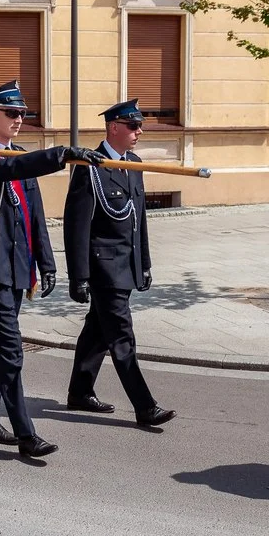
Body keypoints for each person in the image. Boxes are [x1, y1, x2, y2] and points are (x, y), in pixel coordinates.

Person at [0, 80, 105, 458]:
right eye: (12, 113)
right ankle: (25, 434)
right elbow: (10, 169)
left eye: (23, 114)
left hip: (18, 267)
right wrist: (59, 155)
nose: (20, 119)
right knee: (10, 350)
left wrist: (48, 262)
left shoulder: (19, 156)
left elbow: (35, 216)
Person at [63, 100, 175, 427]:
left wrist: (145, 264)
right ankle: (145, 406)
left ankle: (80, 392)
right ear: (114, 127)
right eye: (133, 126)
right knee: (122, 336)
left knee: (97, 330)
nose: (139, 131)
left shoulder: (134, 164)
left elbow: (139, 220)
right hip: (104, 268)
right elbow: (77, 226)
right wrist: (78, 277)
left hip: (126, 265)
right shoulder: (90, 167)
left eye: (139, 126)